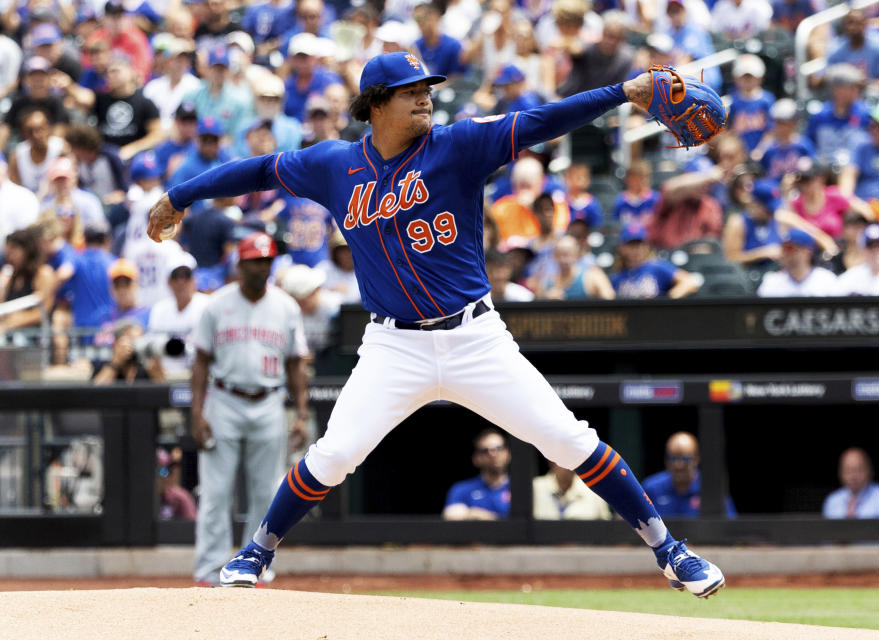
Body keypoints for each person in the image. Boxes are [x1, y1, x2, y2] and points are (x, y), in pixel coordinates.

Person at [148, 51, 725, 597]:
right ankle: (257, 552)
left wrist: (623, 92)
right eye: (410, 92)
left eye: (427, 89)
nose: (425, 99)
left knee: (568, 438)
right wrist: (180, 195)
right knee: (333, 453)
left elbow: (543, 121)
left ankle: (669, 549)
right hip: (392, 346)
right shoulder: (333, 164)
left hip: (475, 336)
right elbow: (257, 171)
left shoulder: (460, 145)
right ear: (376, 104)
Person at [189, 232, 309, 586]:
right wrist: (197, 412)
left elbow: (296, 364)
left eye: (267, 260)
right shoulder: (216, 305)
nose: (263, 267)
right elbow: (199, 362)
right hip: (224, 399)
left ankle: (255, 567)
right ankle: (209, 571)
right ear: (240, 264)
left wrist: (300, 413)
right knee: (215, 492)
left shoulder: (286, 305)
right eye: (256, 260)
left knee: (266, 492)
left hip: (269, 401)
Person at [642, 432, 737, 518]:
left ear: (696, 459)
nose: (678, 465)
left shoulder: (712, 489)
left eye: (685, 459)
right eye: (672, 458)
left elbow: (730, 528)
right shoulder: (651, 488)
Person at [146, 253, 210, 380]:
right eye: (175, 276)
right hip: (165, 378)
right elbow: (153, 352)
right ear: (169, 281)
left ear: (194, 279)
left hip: (200, 376)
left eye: (186, 275)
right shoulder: (159, 310)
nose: (181, 282)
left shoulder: (207, 306)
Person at [611, 226, 700, 299]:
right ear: (622, 247)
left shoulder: (657, 266)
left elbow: (689, 282)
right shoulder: (618, 276)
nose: (637, 249)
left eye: (639, 244)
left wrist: (666, 301)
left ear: (647, 246)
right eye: (631, 244)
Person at [443, 428, 512, 520]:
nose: (493, 454)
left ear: (508, 453)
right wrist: (471, 514)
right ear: (476, 458)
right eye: (485, 450)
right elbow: (450, 514)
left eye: (499, 448)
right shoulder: (462, 489)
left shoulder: (521, 488)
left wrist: (487, 517)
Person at [822, 448, 879, 519]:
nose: (853, 476)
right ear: (840, 473)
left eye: (858, 470)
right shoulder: (832, 501)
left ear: (869, 470)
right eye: (848, 470)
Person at [756, 228, 838, 296]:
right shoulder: (772, 281)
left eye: (789, 248)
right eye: (782, 248)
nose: (783, 253)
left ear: (807, 252)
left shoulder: (827, 280)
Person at [533, 460, 611, 520]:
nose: (564, 464)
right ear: (550, 459)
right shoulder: (535, 487)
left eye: (569, 457)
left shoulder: (593, 490)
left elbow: (606, 532)